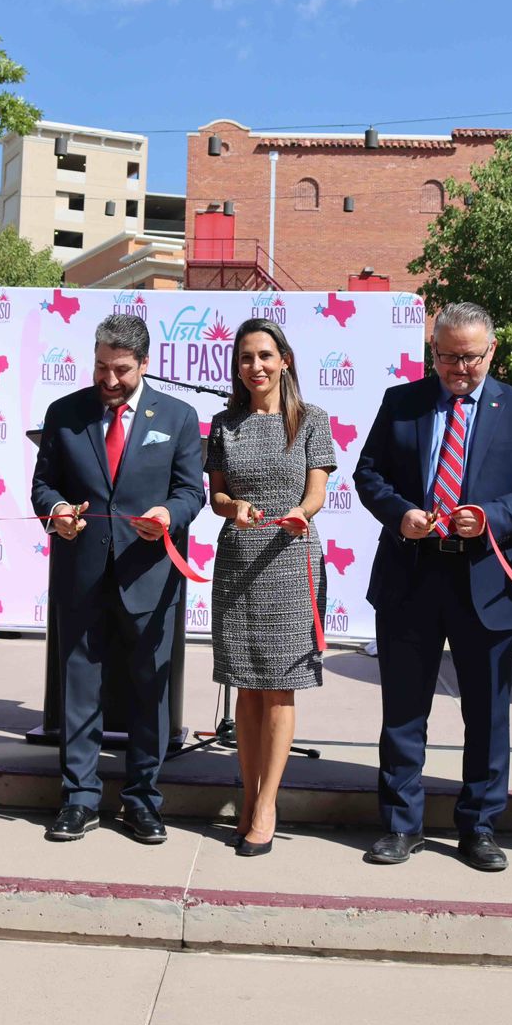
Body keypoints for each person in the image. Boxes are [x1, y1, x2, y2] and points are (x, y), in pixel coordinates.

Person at [354, 302, 512, 870]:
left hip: (487, 582)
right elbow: (368, 473)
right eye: (446, 357)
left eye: (469, 358)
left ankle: (480, 827)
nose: (458, 369)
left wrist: (492, 516)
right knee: (403, 711)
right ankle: (401, 824)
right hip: (411, 576)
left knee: (487, 715)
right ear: (433, 351)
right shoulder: (402, 402)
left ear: (491, 351)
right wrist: (400, 514)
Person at [30, 313, 204, 844]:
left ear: (145, 364)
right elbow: (43, 485)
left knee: (151, 692)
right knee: (79, 688)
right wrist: (57, 510)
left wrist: (168, 515)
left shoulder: (178, 417)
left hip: (149, 575)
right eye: (101, 366)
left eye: (121, 370)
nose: (109, 379)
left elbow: (190, 491)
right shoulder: (64, 413)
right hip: (81, 574)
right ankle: (78, 799)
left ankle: (143, 800)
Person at [206, 318, 336, 857]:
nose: (255, 366)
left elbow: (317, 492)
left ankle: (266, 805)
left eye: (264, 355)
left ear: (284, 360)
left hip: (290, 558)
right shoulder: (224, 424)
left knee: (280, 686)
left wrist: (300, 513)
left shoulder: (312, 420)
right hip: (239, 561)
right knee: (246, 686)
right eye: (245, 358)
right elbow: (216, 496)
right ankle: (248, 794)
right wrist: (233, 506)